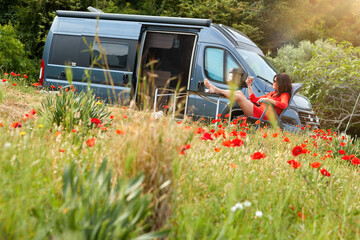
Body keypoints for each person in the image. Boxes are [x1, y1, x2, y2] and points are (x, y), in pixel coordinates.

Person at [203, 73, 292, 120]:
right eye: (273, 80)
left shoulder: (285, 95)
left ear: (281, 83)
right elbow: (253, 99)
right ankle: (216, 90)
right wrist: (249, 85)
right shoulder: (272, 93)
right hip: (260, 112)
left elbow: (284, 105)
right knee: (239, 93)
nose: (273, 82)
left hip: (264, 116)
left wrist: (269, 101)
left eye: (275, 81)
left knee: (240, 97)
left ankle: (216, 89)